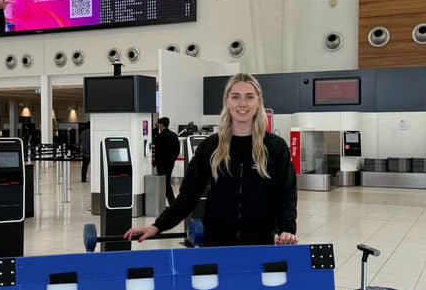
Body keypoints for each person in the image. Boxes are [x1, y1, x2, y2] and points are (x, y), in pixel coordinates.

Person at [124, 73, 298, 247]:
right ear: (227, 101)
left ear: (258, 101)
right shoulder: (211, 146)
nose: (243, 104)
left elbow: (286, 193)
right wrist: (157, 226)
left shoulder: (275, 147)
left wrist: (287, 229)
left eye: (249, 97)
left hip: (260, 243)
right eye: (235, 97)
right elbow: (187, 196)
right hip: (215, 244)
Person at [154, 117, 180, 206]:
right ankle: (170, 203)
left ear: (161, 125)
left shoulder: (160, 137)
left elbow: (157, 151)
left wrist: (154, 163)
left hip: (161, 164)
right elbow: (177, 150)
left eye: (158, 124)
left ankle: (172, 204)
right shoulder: (173, 135)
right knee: (166, 182)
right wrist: (173, 159)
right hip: (170, 163)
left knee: (165, 184)